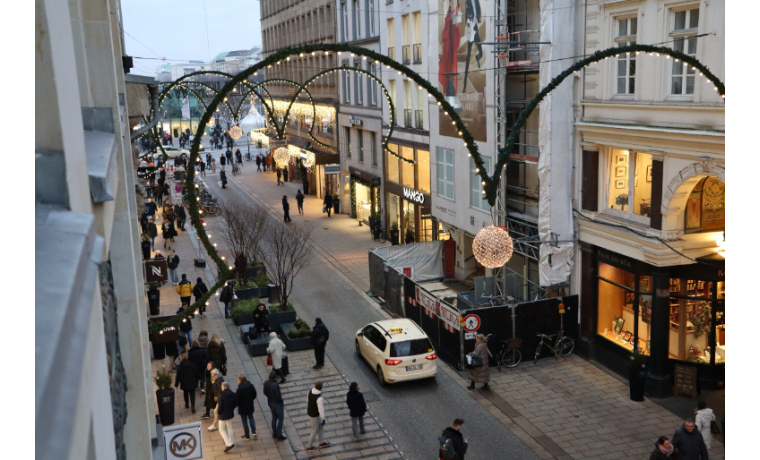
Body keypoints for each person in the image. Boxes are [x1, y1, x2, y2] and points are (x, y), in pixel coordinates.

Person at [305, 381, 330, 451]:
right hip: (314, 416)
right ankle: (309, 446)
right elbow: (320, 410)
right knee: (314, 431)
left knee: (320, 427)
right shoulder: (319, 398)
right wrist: (323, 418)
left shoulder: (310, 392)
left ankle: (321, 442)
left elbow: (307, 401)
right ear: (321, 388)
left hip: (310, 412)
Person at [263, 371, 287, 440]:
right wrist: (281, 402)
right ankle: (279, 434)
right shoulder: (275, 385)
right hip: (277, 404)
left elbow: (265, 392)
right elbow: (278, 396)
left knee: (274, 417)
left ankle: (274, 433)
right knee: (280, 418)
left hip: (270, 402)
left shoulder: (266, 383)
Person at [217, 381, 237, 452]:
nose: (221, 388)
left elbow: (220, 406)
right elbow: (236, 403)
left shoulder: (222, 395)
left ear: (224, 387)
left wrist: (218, 412)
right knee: (229, 427)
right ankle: (232, 441)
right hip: (230, 413)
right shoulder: (233, 394)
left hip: (222, 415)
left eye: (222, 387)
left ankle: (228, 443)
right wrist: (231, 408)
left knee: (221, 429)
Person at [236, 375, 258, 440]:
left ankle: (247, 435)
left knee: (244, 421)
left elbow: (237, 399)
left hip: (242, 407)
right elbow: (254, 394)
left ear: (240, 380)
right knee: (251, 418)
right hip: (250, 405)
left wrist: (238, 404)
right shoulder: (251, 386)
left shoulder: (239, 389)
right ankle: (254, 432)